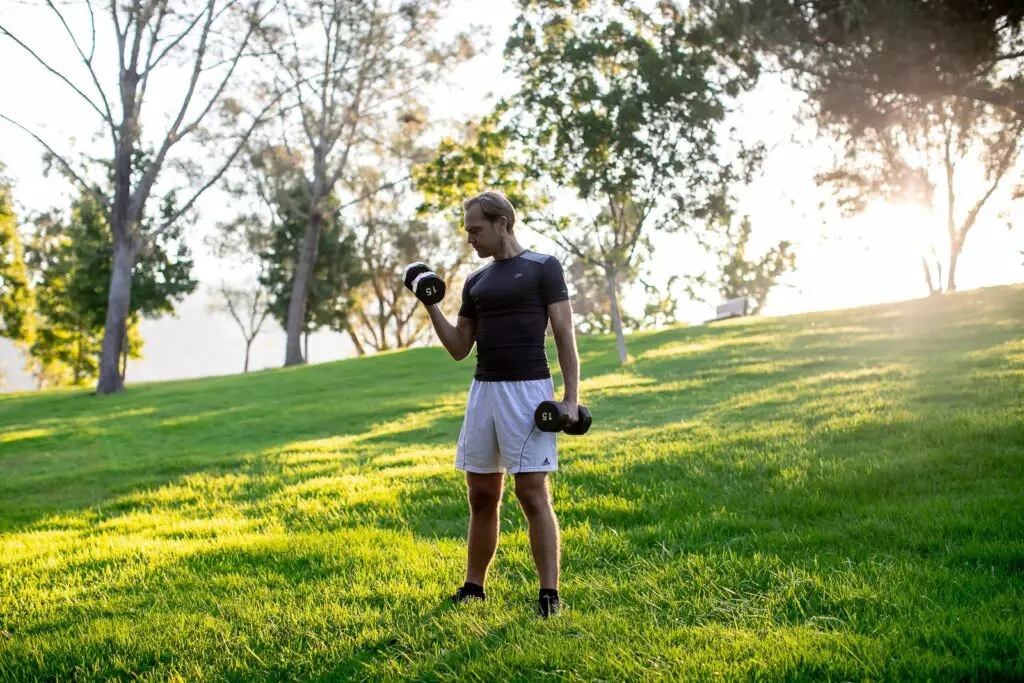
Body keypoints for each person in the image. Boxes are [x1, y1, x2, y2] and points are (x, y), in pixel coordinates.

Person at [422, 190, 580, 618]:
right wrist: (432, 305)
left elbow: (564, 333)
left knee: (531, 492)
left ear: (502, 223)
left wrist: (570, 398)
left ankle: (549, 593)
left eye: (475, 229)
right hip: (484, 393)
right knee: (482, 493)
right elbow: (459, 347)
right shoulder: (476, 281)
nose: (470, 238)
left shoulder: (543, 268)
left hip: (529, 391)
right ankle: (474, 587)